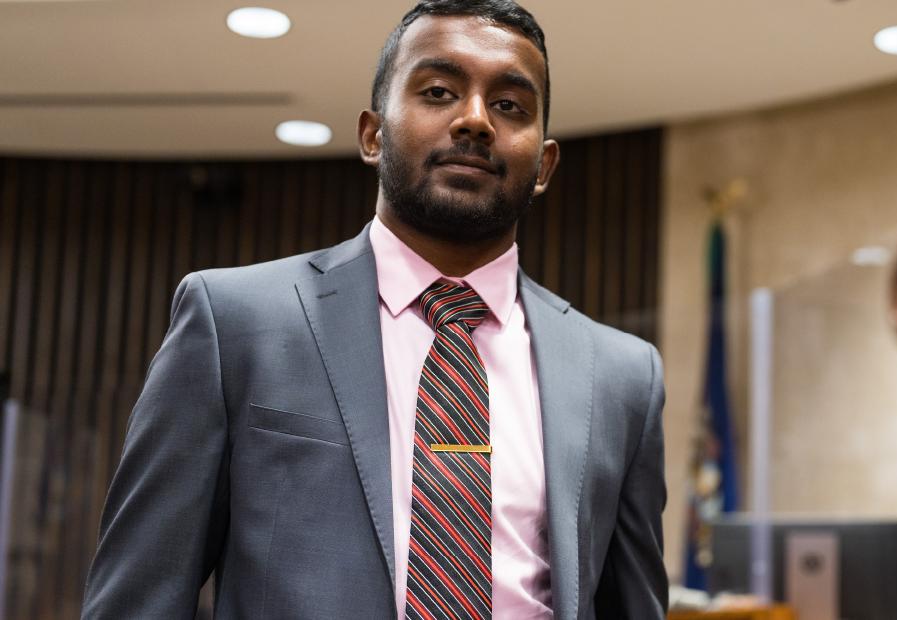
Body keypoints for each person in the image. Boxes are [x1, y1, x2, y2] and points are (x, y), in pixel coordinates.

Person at [81, 1, 667, 618]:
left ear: (544, 164)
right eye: (439, 92)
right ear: (373, 133)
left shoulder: (622, 376)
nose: (474, 120)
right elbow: (137, 597)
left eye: (509, 106)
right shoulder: (236, 323)